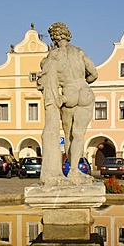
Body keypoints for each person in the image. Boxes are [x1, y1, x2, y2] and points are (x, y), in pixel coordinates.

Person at [37, 22, 98, 185]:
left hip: (68, 95)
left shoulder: (54, 55)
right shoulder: (78, 52)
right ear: (67, 35)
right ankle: (74, 171)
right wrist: (83, 81)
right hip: (84, 92)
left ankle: (71, 170)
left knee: (68, 134)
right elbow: (94, 74)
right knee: (79, 134)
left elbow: (47, 77)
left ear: (54, 38)